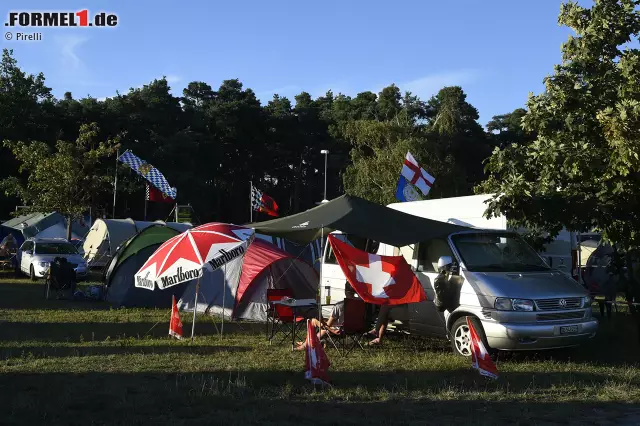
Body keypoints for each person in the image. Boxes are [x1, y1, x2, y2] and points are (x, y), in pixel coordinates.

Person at [295, 285, 356, 350]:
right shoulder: (359, 303)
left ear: (345, 291)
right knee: (322, 324)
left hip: (340, 330)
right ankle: (307, 342)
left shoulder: (339, 306)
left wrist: (316, 321)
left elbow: (327, 325)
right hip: (354, 329)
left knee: (317, 324)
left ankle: (305, 345)